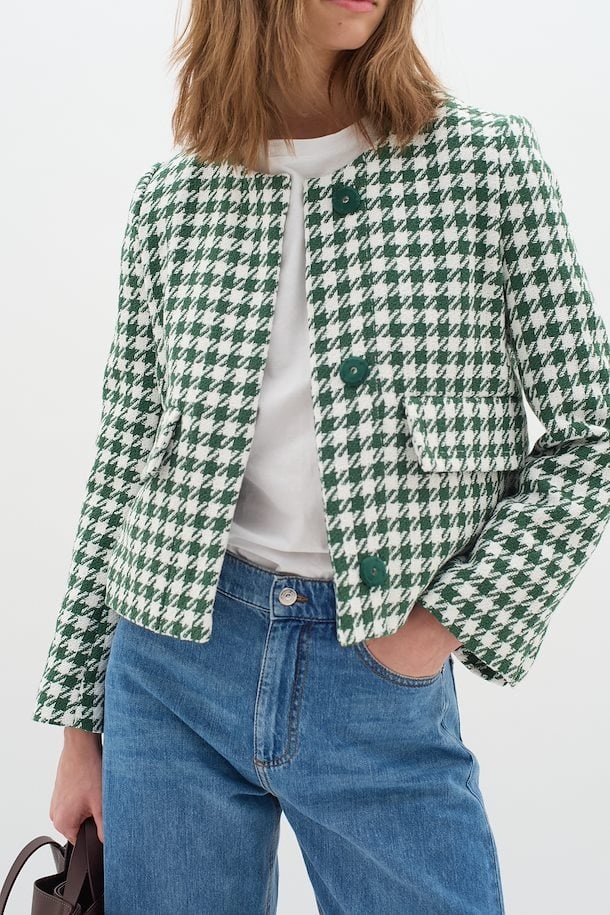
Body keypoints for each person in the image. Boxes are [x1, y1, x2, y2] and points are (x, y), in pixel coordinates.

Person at [32, 0, 610, 912]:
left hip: (375, 670)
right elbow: (122, 464)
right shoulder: (172, 200)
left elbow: (593, 429)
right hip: (170, 670)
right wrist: (79, 727)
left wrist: (444, 622)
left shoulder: (485, 166)